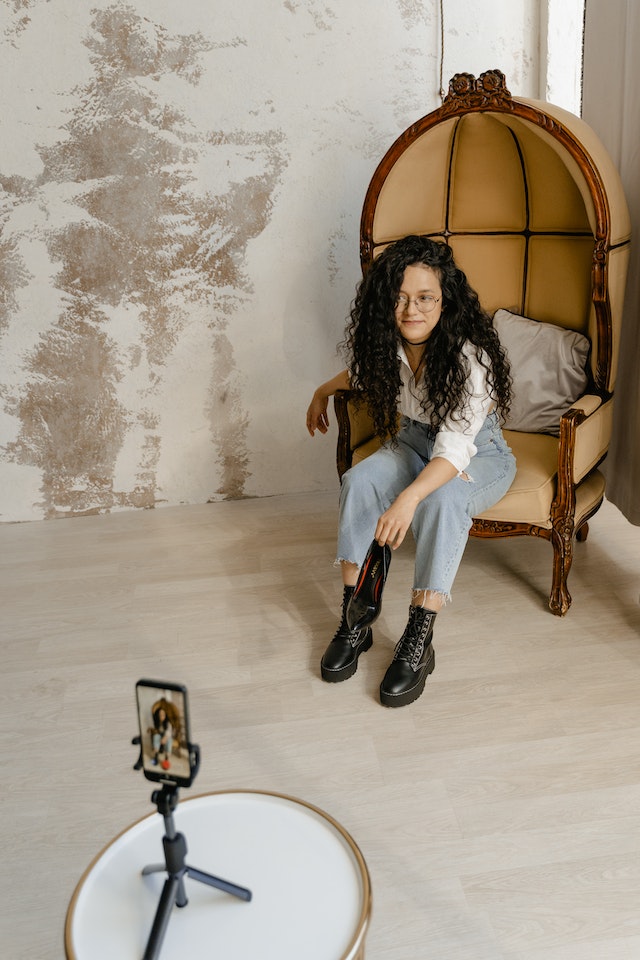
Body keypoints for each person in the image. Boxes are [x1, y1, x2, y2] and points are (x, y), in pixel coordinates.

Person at [306, 235, 516, 708]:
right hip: (413, 441)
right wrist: (321, 391)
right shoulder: (388, 344)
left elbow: (455, 448)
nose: (411, 310)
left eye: (424, 298)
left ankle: (420, 636)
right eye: (399, 298)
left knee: (442, 497)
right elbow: (358, 373)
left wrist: (407, 498)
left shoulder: (470, 358)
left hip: (479, 454)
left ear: (445, 301)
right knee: (358, 480)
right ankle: (355, 620)